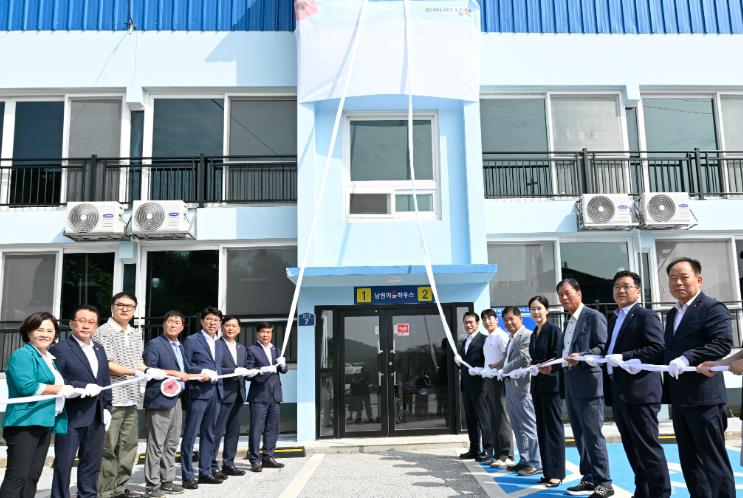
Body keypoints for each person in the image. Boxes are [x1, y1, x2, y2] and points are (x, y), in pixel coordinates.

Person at [662, 257, 734, 498]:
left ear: (699, 279)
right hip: (680, 398)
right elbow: (669, 349)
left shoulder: (712, 308)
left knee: (713, 461)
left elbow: (722, 343)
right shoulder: (673, 313)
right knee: (690, 462)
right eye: (673, 278)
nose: (678, 283)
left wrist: (687, 358)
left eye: (684, 277)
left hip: (705, 399)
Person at [596, 271, 670, 498]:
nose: (620, 290)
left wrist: (625, 357)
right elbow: (609, 350)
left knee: (647, 448)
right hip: (619, 392)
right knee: (631, 447)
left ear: (638, 291)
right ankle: (642, 491)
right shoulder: (613, 319)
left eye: (626, 286)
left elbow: (657, 348)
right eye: (616, 286)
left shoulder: (646, 316)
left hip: (640, 392)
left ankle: (660, 493)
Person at [543, 278, 612, 498]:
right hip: (571, 384)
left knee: (593, 435)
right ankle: (589, 477)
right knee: (580, 436)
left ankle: (604, 482)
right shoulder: (568, 321)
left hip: (589, 385)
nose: (564, 298)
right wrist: (552, 367)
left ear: (579, 293)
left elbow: (602, 347)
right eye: (560, 295)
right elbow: (564, 354)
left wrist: (581, 355)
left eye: (567, 293)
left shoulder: (593, 316)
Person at [0, 312, 76, 498]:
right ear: (28, 332)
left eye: (50, 330)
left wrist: (74, 389)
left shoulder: (48, 358)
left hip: (45, 422)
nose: (45, 334)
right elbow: (27, 386)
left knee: (32, 476)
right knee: (18, 476)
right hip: (25, 423)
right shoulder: (22, 355)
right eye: (39, 330)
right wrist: (60, 389)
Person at [50, 305, 113, 498]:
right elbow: (57, 380)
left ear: (96, 326)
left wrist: (107, 407)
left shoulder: (99, 349)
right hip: (71, 414)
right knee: (64, 462)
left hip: (96, 415)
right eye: (82, 321)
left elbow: (105, 380)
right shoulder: (60, 349)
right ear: (71, 324)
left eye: (91, 322)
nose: (86, 326)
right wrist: (82, 386)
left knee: (92, 461)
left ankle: (88, 494)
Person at [93, 291, 148, 498]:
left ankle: (119, 488)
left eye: (130, 306)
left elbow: (138, 362)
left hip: (132, 398)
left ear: (134, 310)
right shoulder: (103, 332)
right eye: (120, 305)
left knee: (128, 447)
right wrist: (134, 372)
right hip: (112, 398)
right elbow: (106, 364)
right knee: (108, 447)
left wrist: (149, 370)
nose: (125, 309)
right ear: (112, 308)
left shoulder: (135, 333)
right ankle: (105, 491)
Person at [142, 310, 194, 497]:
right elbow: (151, 369)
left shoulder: (180, 346)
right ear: (164, 324)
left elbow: (186, 370)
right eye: (170, 321)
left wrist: (202, 373)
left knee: (172, 443)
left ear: (182, 327)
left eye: (177, 322)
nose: (173, 325)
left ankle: (167, 481)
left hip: (177, 399)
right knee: (156, 444)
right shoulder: (155, 344)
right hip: (160, 399)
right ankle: (152, 485)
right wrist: (175, 373)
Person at [181, 307, 226, 488]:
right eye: (209, 319)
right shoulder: (191, 340)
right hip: (198, 393)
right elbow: (184, 365)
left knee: (210, 433)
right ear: (202, 321)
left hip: (216, 392)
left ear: (219, 323)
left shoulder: (220, 343)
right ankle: (187, 475)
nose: (212, 323)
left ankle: (205, 472)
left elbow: (219, 367)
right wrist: (202, 370)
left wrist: (239, 370)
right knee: (191, 434)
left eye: (216, 320)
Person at [528, 296, 565, 488]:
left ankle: (557, 473)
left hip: (551, 385)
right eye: (533, 309)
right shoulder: (534, 333)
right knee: (541, 428)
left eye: (539, 308)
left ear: (547, 310)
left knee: (553, 428)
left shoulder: (554, 330)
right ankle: (548, 471)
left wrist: (546, 366)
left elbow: (558, 356)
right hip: (537, 385)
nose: (536, 312)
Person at [500, 306, 541, 476]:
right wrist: (496, 368)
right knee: (517, 425)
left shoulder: (527, 335)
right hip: (511, 387)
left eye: (512, 318)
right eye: (506, 320)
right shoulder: (511, 338)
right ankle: (524, 459)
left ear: (520, 319)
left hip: (523, 388)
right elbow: (507, 359)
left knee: (528, 426)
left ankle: (535, 462)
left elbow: (525, 358)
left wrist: (504, 370)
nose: (509, 322)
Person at [212, 315, 254, 477]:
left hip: (238, 395)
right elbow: (215, 369)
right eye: (227, 325)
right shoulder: (216, 345)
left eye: (234, 326)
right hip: (222, 394)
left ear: (239, 329)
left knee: (233, 432)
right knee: (216, 431)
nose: (230, 328)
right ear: (222, 327)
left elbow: (245, 368)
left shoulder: (242, 348)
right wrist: (233, 371)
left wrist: (251, 372)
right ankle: (211, 465)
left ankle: (228, 464)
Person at [245, 322, 288, 473]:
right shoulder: (251, 350)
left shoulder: (276, 350)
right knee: (256, 429)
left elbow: (284, 370)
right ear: (257, 334)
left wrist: (283, 364)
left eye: (268, 332)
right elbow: (248, 372)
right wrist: (261, 370)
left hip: (275, 395)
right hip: (259, 396)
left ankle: (268, 457)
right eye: (263, 332)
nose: (266, 335)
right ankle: (255, 460)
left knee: (272, 428)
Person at [454, 311, 493, 463]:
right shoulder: (465, 342)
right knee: (471, 419)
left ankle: (488, 449)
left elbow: (488, 361)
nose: (468, 325)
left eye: (471, 322)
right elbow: (464, 364)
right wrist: (458, 362)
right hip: (466, 386)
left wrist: (479, 370)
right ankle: (474, 448)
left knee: (484, 418)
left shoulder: (484, 340)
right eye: (466, 322)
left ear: (477, 323)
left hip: (480, 386)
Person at [479, 308, 514, 468]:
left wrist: (496, 366)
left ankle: (507, 454)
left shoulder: (501, 335)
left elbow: (508, 356)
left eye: (490, 318)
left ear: (496, 319)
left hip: (498, 380)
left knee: (502, 417)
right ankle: (498, 453)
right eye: (484, 319)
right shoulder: (488, 338)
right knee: (492, 418)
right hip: (488, 379)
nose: (487, 322)